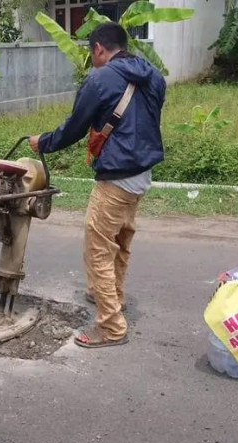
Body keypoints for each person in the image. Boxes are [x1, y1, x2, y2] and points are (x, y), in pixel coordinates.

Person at [28, 22, 166, 349]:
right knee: (121, 241)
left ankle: (111, 326)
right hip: (142, 175)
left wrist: (43, 142)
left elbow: (75, 127)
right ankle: (113, 296)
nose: (94, 59)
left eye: (93, 54)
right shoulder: (153, 76)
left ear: (100, 49)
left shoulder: (100, 78)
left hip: (116, 177)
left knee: (99, 251)